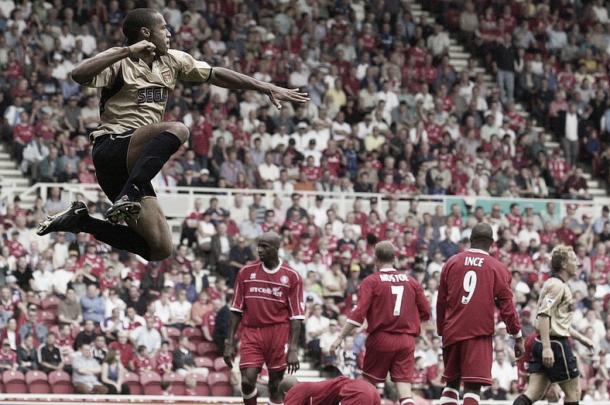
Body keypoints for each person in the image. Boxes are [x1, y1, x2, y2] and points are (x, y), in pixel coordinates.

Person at [36, 8, 308, 261]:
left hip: (132, 166)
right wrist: (126, 50)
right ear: (146, 33)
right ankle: (128, 194)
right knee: (178, 128)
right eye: (163, 28)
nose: (169, 33)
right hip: (113, 146)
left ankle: (82, 221)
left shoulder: (172, 60)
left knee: (159, 249)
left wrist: (263, 86)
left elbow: (215, 74)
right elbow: (78, 75)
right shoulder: (121, 61)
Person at [330, 241, 431, 405]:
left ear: (376, 259)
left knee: (367, 385)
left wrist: (340, 337)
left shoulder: (371, 281)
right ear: (395, 259)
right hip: (407, 340)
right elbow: (426, 311)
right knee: (405, 391)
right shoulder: (411, 281)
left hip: (381, 338)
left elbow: (358, 313)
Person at [436, 223, 524, 405]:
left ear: (470, 240)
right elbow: (507, 307)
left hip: (452, 331)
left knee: (451, 383)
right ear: (492, 243)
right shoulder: (497, 268)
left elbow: (441, 301)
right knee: (472, 386)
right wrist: (517, 335)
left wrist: (440, 329)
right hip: (478, 333)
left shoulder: (452, 263)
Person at [224, 232, 304, 405]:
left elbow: (296, 316)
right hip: (252, 332)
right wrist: (229, 343)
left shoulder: (292, 276)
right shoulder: (245, 272)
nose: (259, 250)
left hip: (278, 333)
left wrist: (293, 348)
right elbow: (236, 310)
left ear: (276, 248)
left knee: (275, 386)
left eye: (264, 246)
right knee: (246, 381)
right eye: (258, 245)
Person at [512, 246, 594, 405]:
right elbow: (544, 315)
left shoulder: (555, 284)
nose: (577, 263)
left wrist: (582, 338)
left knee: (533, 393)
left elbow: (556, 322)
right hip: (555, 344)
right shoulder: (557, 286)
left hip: (545, 341)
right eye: (574, 260)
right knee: (574, 392)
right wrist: (547, 347)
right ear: (563, 264)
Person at [279, 374, 380, 405]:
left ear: (285, 393)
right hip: (370, 389)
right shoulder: (311, 390)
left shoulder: (296, 389)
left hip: (357, 391)